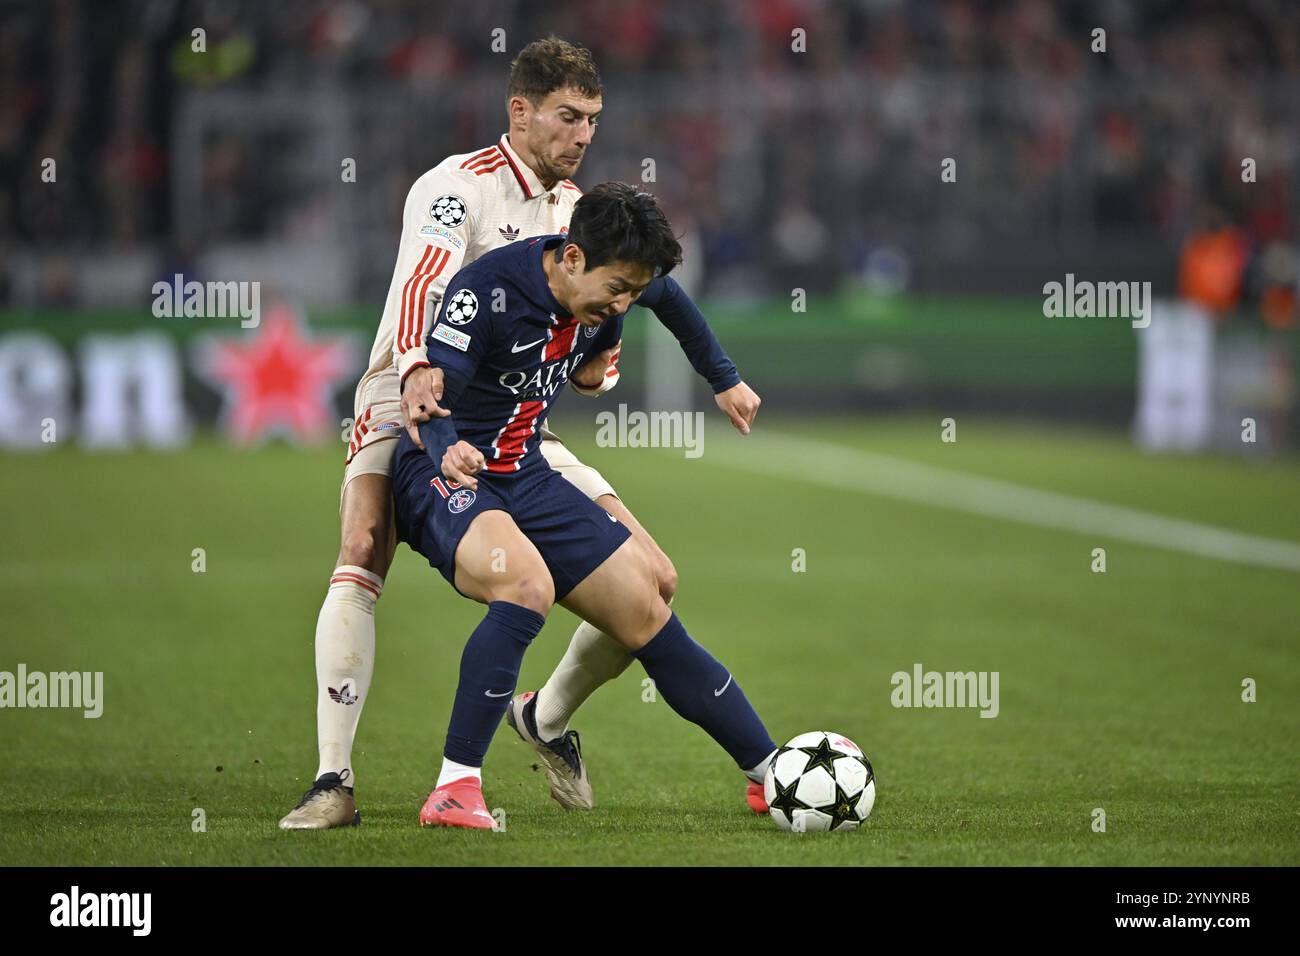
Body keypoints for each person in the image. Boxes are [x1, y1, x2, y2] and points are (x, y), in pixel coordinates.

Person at [280, 38, 761, 830]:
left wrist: (676, 369)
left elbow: (647, 294)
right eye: (568, 117)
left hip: (516, 425)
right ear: (521, 111)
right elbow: (418, 295)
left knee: (655, 579)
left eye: (593, 121)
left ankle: (545, 718)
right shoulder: (453, 190)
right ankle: (333, 781)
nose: (581, 135)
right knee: (365, 544)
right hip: (409, 392)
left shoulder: (578, 212)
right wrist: (414, 379)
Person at [389, 182, 778, 828]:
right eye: (618, 290)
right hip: (441, 473)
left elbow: (670, 299)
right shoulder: (484, 295)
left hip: (525, 473)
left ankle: (768, 772)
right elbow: (428, 398)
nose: (624, 304)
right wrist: (447, 448)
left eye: (631, 291)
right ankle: (454, 788)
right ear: (571, 259)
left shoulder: (608, 273)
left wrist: (724, 377)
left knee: (645, 602)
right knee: (526, 586)